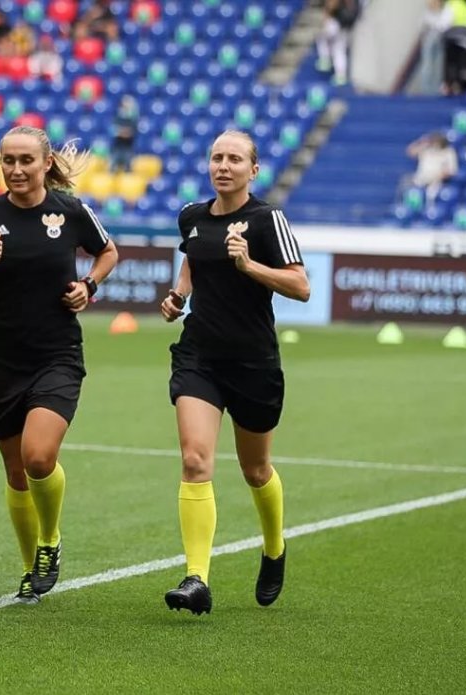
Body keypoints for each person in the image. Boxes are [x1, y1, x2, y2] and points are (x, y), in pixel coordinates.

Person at [0, 126, 119, 604]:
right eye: (8, 160)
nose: (16, 169)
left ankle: (50, 539)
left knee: (38, 457)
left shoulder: (71, 211)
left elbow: (107, 252)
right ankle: (29, 570)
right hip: (1, 360)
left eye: (26, 160)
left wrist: (89, 286)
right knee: (16, 473)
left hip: (57, 355)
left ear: (45, 164)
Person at [159, 130, 310, 616]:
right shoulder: (192, 216)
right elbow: (193, 258)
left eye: (235, 159)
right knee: (194, 460)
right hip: (199, 356)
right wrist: (179, 295)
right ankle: (196, 578)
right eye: (217, 157)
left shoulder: (268, 220)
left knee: (255, 469)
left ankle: (274, 546)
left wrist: (249, 265)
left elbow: (301, 286)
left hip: (253, 362)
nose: (223, 166)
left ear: (253, 170)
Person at [405, 131, 458, 208]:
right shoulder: (425, 149)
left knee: (431, 194)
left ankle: (430, 209)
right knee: (409, 188)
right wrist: (421, 143)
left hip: (437, 182)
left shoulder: (448, 152)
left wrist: (439, 176)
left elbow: (451, 171)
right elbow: (410, 152)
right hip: (419, 180)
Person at [315, 0, 360, 86]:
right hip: (345, 27)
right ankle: (340, 75)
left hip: (338, 24)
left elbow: (331, 6)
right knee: (338, 50)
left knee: (321, 36)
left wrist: (326, 14)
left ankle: (325, 60)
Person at [109, 94, 140, 174]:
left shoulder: (133, 119)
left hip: (128, 147)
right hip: (117, 146)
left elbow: (131, 132)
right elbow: (115, 131)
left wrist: (123, 132)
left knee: (127, 167)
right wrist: (124, 132)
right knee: (113, 167)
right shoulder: (117, 117)